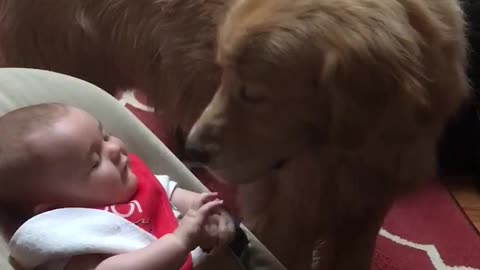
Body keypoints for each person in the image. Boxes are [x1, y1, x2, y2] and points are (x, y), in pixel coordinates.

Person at [0, 103, 236, 270]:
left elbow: (172, 193)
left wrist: (208, 212)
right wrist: (178, 242)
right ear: (54, 208)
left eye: (105, 137)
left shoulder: (127, 177)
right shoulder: (73, 235)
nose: (113, 150)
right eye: (94, 162)